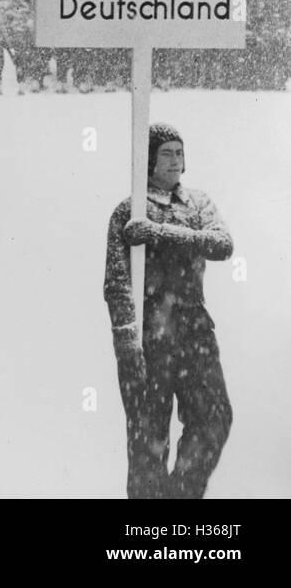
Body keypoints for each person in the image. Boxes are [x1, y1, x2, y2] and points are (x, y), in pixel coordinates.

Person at [104, 123, 233, 500]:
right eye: (167, 153)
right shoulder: (128, 212)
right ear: (148, 160)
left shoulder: (198, 204)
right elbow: (116, 284)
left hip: (194, 329)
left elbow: (221, 244)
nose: (176, 159)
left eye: (179, 151)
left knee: (214, 418)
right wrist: (129, 346)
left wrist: (158, 233)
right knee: (149, 439)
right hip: (148, 335)